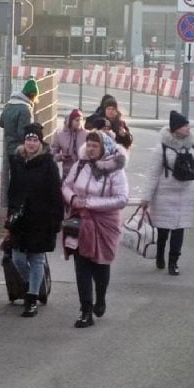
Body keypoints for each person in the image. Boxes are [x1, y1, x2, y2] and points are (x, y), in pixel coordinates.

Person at [61, 131, 130, 328]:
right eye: (88, 145)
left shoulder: (115, 170)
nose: (90, 149)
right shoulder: (80, 164)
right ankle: (86, 310)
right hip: (80, 221)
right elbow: (66, 185)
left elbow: (122, 198)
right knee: (81, 265)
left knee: (100, 265)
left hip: (105, 223)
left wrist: (91, 203)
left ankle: (100, 298)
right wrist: (73, 199)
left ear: (104, 148)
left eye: (95, 146)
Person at [140, 110, 194, 276]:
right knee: (163, 230)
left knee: (179, 230)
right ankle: (160, 255)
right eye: (184, 125)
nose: (188, 128)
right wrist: (146, 198)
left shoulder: (192, 146)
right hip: (164, 195)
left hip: (185, 194)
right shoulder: (162, 148)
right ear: (175, 128)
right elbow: (153, 174)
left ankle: (173, 262)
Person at [5, 123, 64, 318]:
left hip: (41, 218)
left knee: (36, 258)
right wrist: (10, 214)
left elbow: (56, 192)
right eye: (28, 139)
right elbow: (12, 190)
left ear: (40, 142)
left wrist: (57, 219)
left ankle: (31, 299)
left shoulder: (48, 163)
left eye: (35, 140)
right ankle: (35, 284)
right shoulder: (17, 160)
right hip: (20, 220)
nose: (31, 143)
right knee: (18, 258)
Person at [0, 79, 38, 158]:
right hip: (21, 150)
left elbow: (1, 123)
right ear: (33, 96)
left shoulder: (8, 105)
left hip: (8, 147)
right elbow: (23, 133)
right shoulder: (25, 110)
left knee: (11, 169)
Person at [51, 109, 88, 180]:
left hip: (83, 171)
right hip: (67, 171)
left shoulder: (87, 134)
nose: (79, 122)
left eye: (81, 120)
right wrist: (60, 157)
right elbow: (52, 153)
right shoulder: (60, 134)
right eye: (76, 120)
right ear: (69, 121)